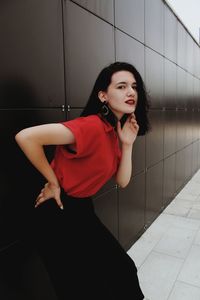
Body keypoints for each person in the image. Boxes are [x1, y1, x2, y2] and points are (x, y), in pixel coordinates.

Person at [15, 61, 150, 299]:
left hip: (81, 209)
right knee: (78, 287)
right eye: (121, 86)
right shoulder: (92, 126)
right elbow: (26, 137)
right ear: (103, 95)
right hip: (56, 213)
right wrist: (53, 181)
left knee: (121, 271)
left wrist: (127, 145)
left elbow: (123, 181)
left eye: (134, 86)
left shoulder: (112, 132)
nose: (130, 92)